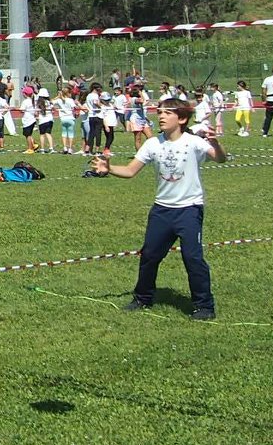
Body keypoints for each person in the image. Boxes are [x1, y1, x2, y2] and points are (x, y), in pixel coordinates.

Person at [93, 98, 227, 320]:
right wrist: (109, 169)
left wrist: (216, 143)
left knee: (193, 258)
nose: (161, 116)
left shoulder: (194, 142)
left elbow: (220, 159)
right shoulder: (153, 144)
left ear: (182, 118)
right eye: (159, 112)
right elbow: (130, 170)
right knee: (149, 256)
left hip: (189, 210)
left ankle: (204, 306)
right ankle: (142, 298)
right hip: (162, 211)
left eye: (167, 113)